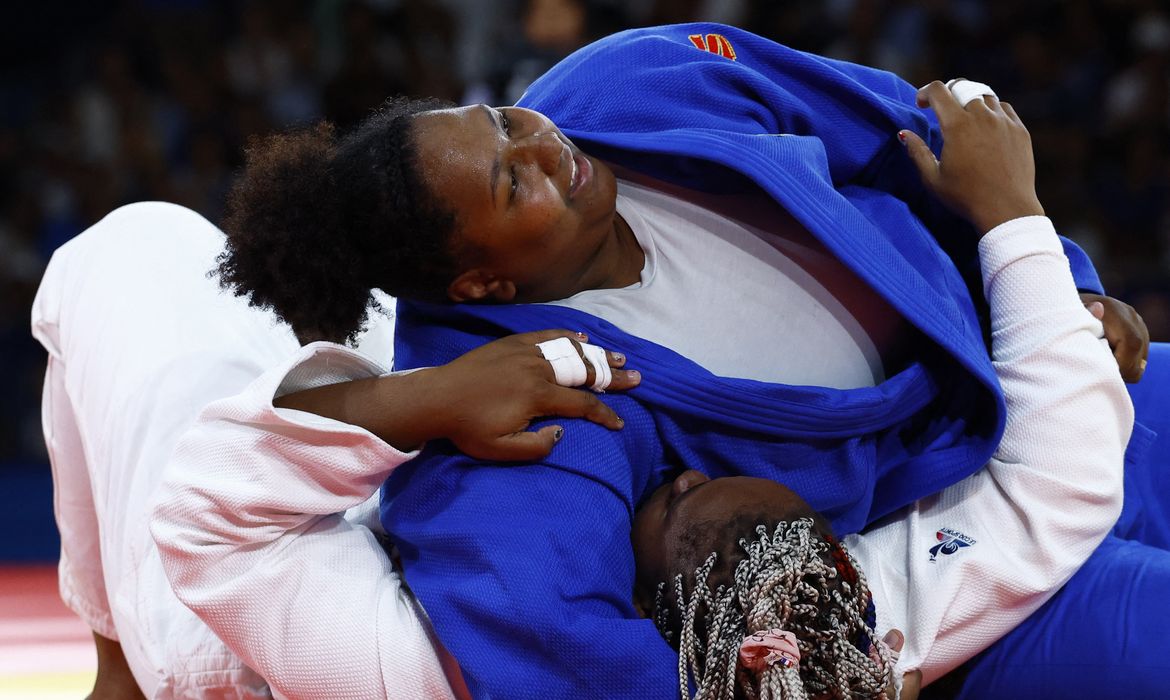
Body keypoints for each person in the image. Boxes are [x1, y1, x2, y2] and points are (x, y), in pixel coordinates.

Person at [156, 23, 1161, 698]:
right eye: (514, 183)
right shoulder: (527, 399)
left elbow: (931, 135)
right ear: (481, 286)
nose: (547, 143)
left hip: (1052, 369)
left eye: (508, 121)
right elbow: (543, 625)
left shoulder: (624, 86)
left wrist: (1049, 283)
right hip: (961, 534)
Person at [631, 84, 1135, 699]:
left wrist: (1063, 283)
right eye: (678, 497)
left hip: (1053, 439)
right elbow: (1067, 478)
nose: (683, 478)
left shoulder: (816, 619)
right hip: (1070, 539)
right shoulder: (881, 619)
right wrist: (1013, 219)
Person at [31, 200, 636, 698]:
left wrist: (439, 394)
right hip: (361, 536)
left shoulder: (403, 671)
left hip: (246, 637)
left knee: (135, 246)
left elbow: (207, 506)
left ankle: (122, 685)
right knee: (385, 314)